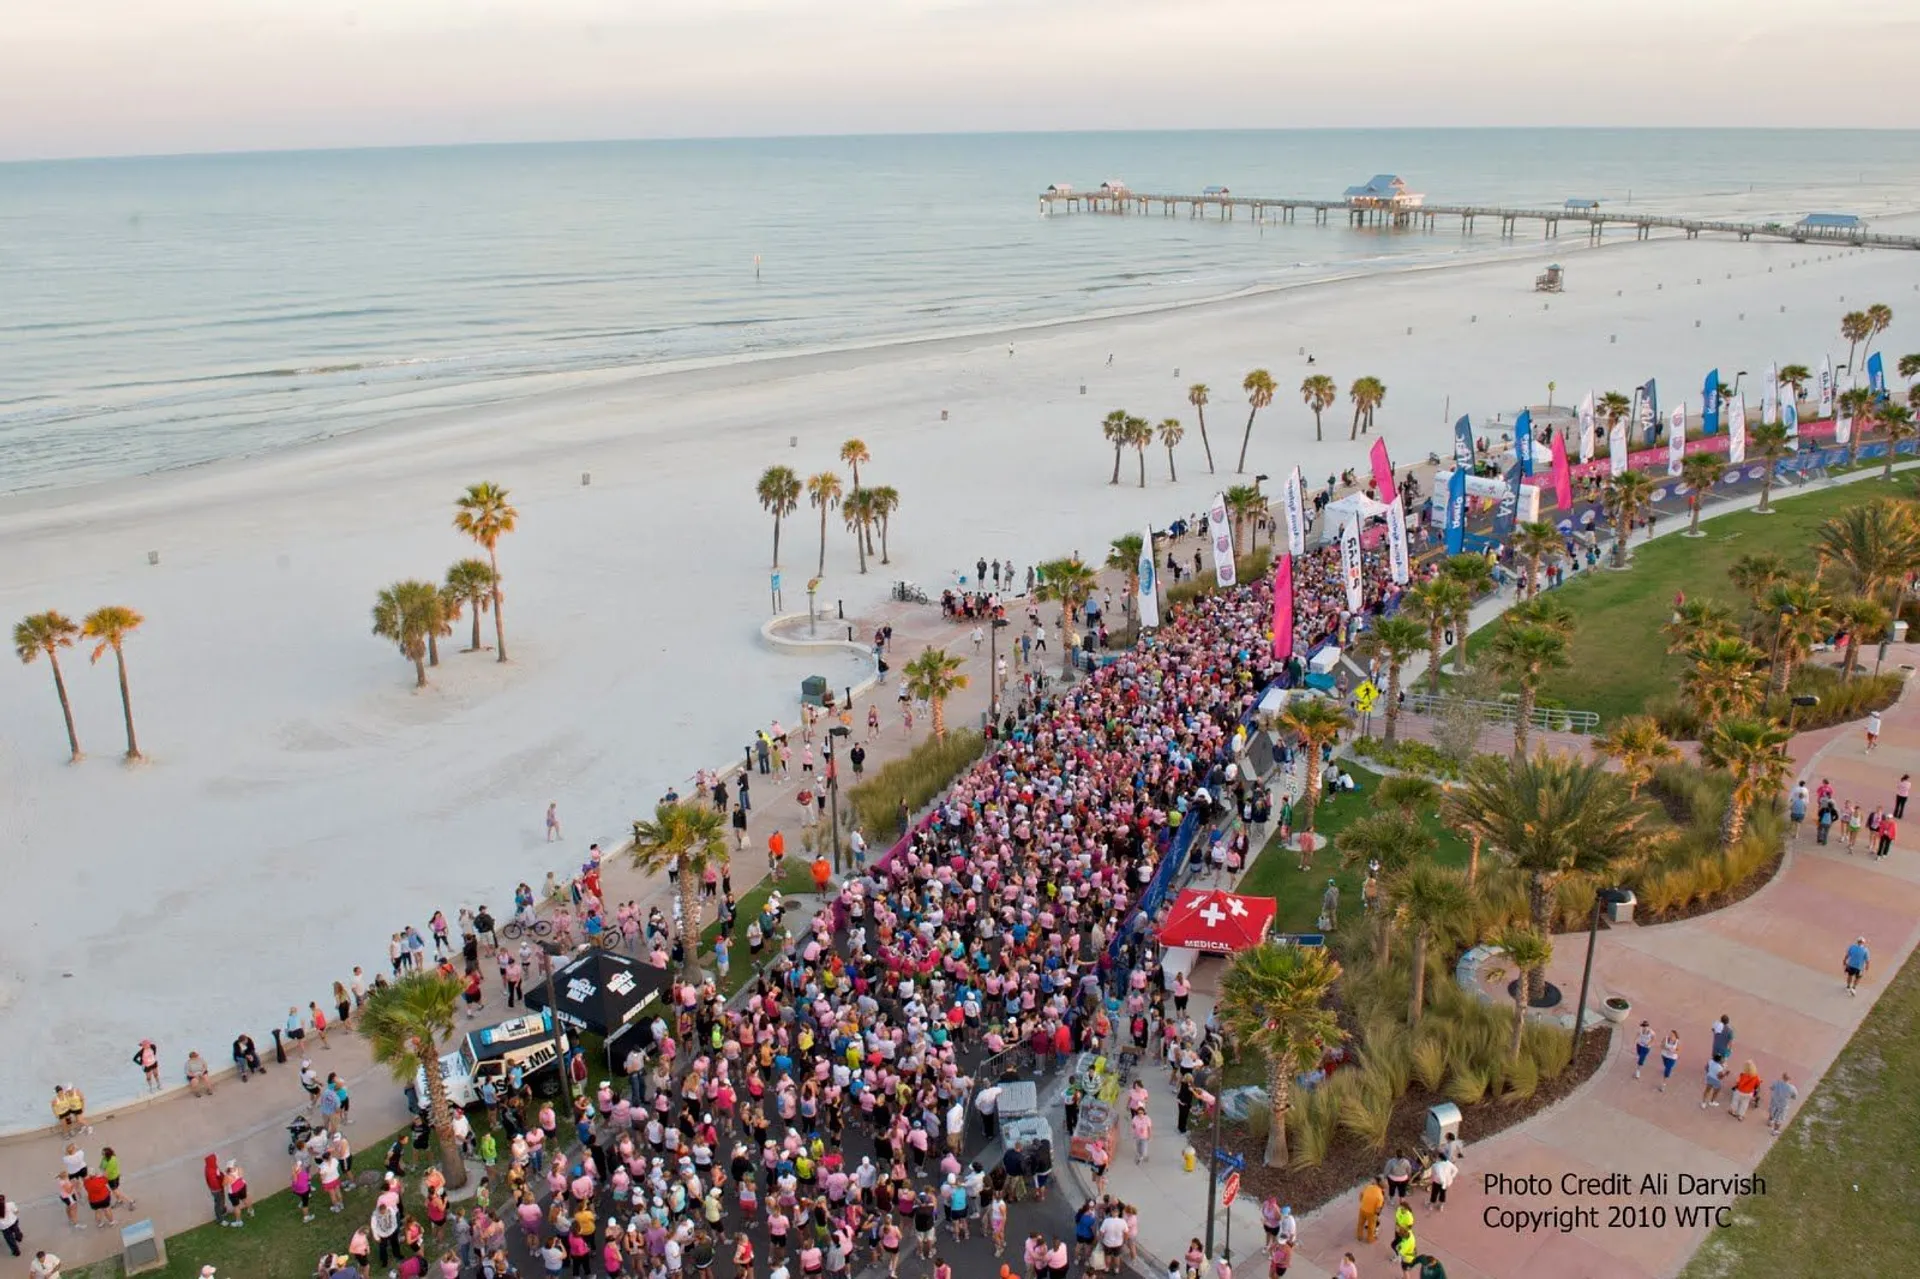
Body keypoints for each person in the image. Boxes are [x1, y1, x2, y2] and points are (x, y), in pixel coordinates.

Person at [1356, 1176, 1386, 1243]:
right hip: (1371, 1213)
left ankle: (1359, 1236)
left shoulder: (1368, 1187)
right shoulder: (1380, 1196)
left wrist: (1362, 1202)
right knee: (1371, 1227)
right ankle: (1370, 1239)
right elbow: (1378, 1209)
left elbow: (1361, 1194)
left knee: (1360, 1224)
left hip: (1362, 1209)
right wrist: (1377, 1215)